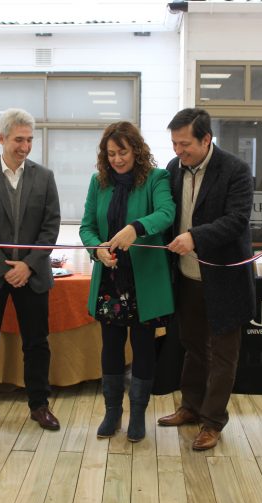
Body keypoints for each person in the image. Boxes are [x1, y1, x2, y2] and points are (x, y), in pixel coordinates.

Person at [158, 108, 256, 451]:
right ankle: (190, 406)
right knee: (193, 347)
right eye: (174, 144)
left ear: (206, 139)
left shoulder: (236, 171)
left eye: (185, 144)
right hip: (185, 277)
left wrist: (195, 237)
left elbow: (237, 220)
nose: (178, 151)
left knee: (224, 355)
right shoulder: (173, 170)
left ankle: (213, 422)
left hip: (225, 280)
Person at [0, 108, 61, 434]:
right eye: (19, 139)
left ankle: (39, 405)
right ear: (1, 138)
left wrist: (28, 266)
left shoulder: (45, 177)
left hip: (32, 275)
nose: (25, 146)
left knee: (37, 343)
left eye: (30, 139)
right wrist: (5, 269)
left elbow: (50, 227)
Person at [79, 121, 175, 442]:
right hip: (110, 277)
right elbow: (87, 226)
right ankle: (112, 413)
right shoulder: (98, 182)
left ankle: (137, 415)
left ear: (136, 149)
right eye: (111, 154)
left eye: (122, 152)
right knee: (111, 348)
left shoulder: (156, 179)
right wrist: (98, 250)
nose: (117, 159)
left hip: (143, 280)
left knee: (144, 348)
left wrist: (136, 227)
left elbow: (166, 213)